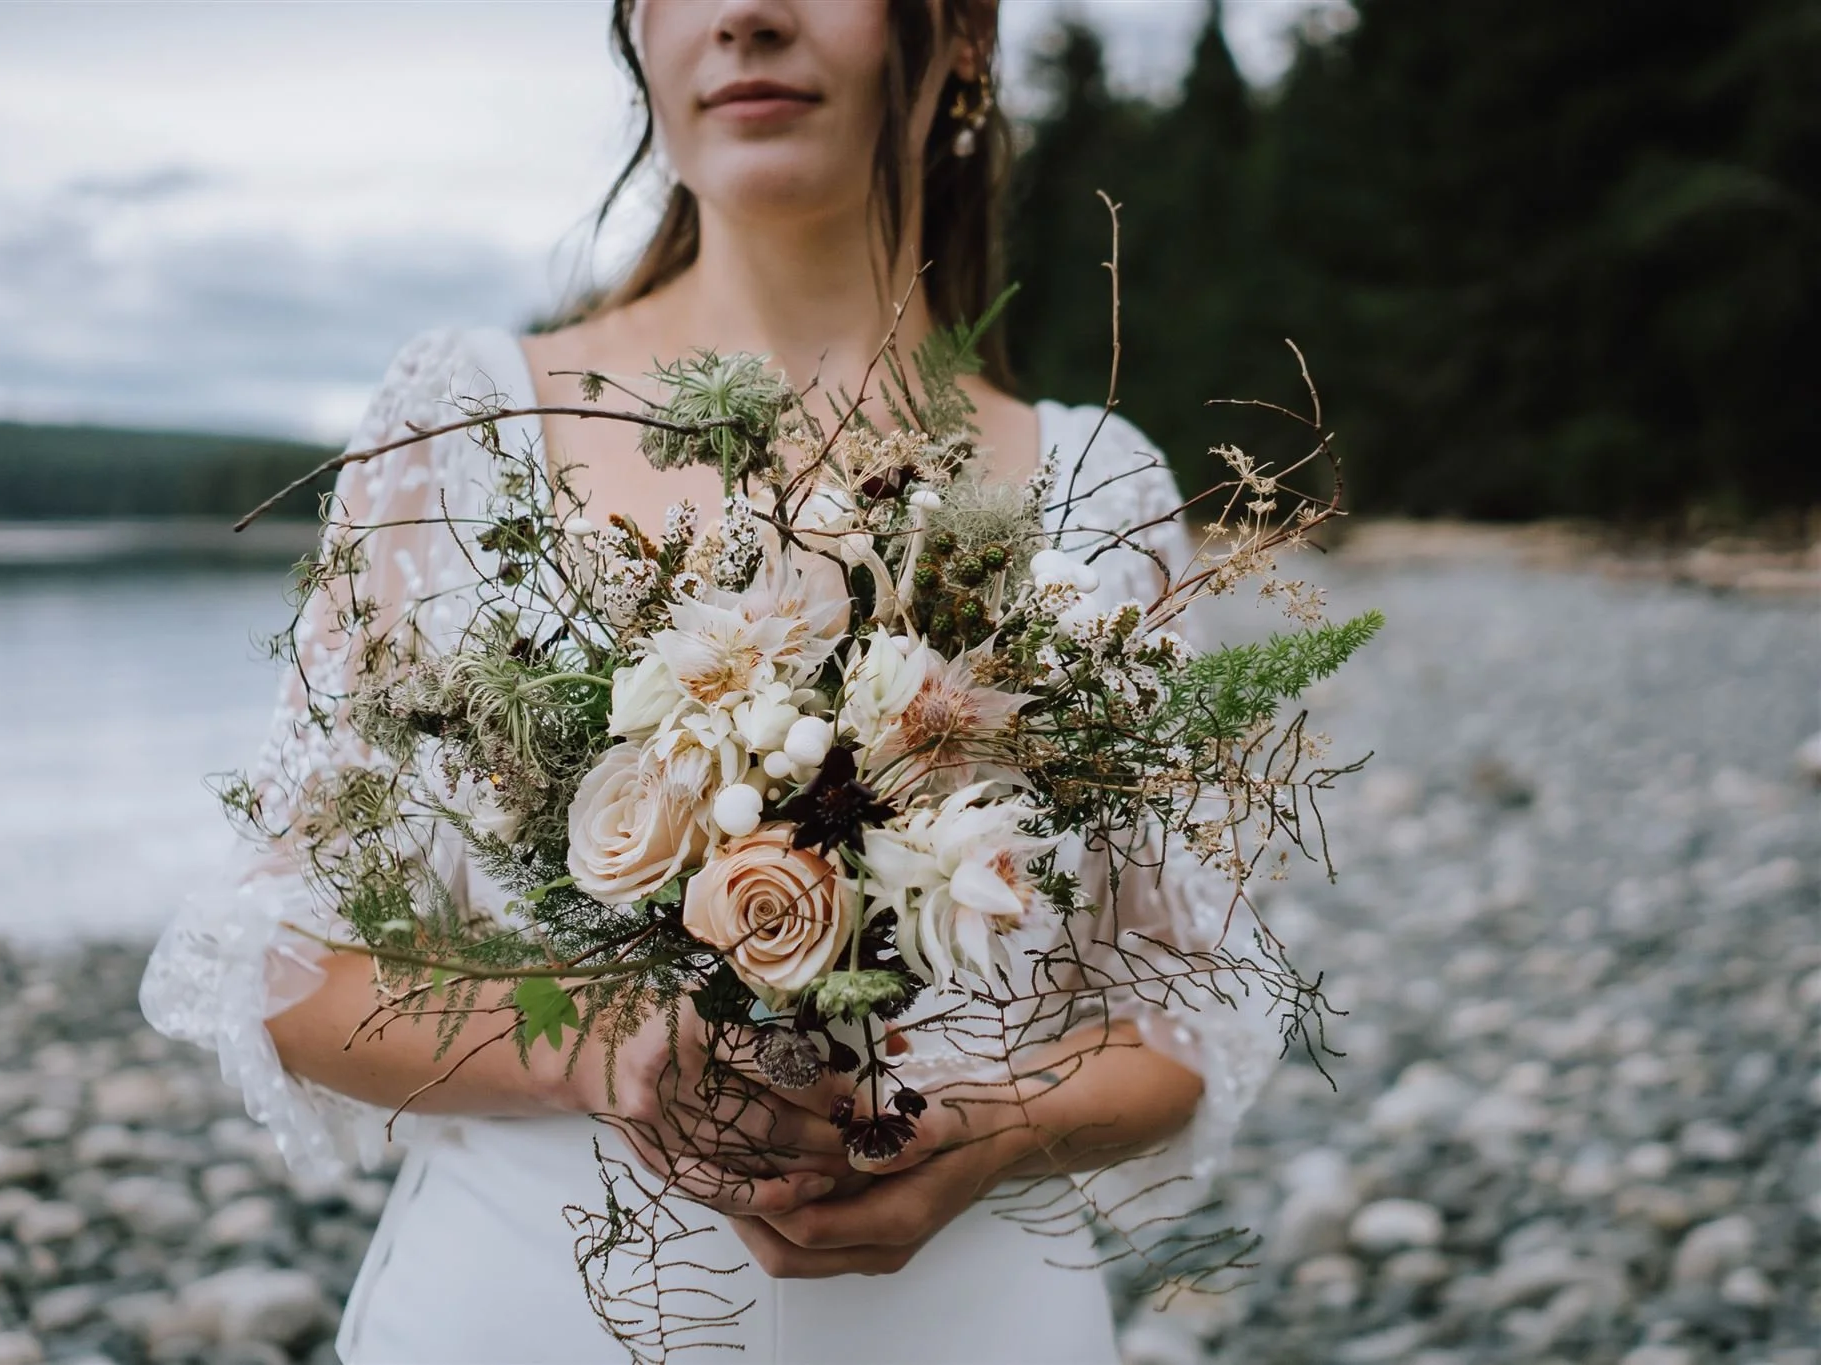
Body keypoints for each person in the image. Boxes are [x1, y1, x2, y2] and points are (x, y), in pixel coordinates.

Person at [143, 2, 1286, 1360]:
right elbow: (281, 966)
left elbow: (1185, 1014)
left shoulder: (1100, 488)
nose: (745, 15)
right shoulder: (464, 427)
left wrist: (983, 1130)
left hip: (977, 1316)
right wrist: (596, 1043)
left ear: (961, 34)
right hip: (531, 1312)